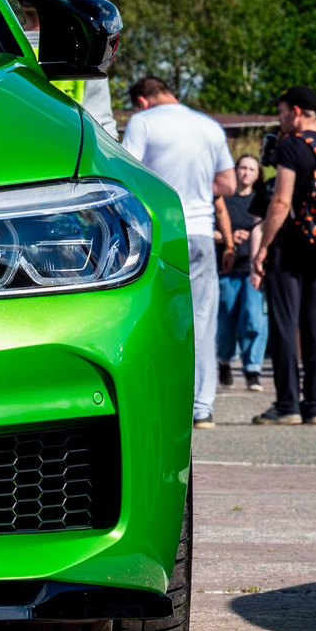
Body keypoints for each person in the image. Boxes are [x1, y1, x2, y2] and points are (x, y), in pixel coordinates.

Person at [120, 75, 236, 428]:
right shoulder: (209, 126)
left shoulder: (142, 122)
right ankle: (202, 407)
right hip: (201, 232)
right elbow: (229, 184)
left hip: (161, 231)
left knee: (155, 316)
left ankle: (164, 405)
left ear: (142, 101)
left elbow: (126, 174)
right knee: (202, 319)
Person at [249, 86, 316, 425]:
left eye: (284, 112)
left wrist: (263, 247)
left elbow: (281, 202)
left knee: (285, 324)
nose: (281, 118)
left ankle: (288, 405)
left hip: (291, 245)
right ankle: (315, 405)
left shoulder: (292, 146)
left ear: (298, 112)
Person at [17, 0, 116, 134]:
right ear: (63, 5)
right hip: (70, 153)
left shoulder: (2, 49)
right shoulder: (83, 53)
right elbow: (101, 128)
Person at [215, 153, 267, 389]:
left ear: (258, 175)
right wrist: (228, 237)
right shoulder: (224, 199)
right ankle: (224, 362)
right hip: (227, 269)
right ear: (235, 170)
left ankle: (252, 369)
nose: (246, 173)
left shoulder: (262, 200)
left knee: (253, 320)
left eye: (251, 169)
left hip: (252, 269)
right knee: (225, 323)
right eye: (242, 168)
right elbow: (209, 229)